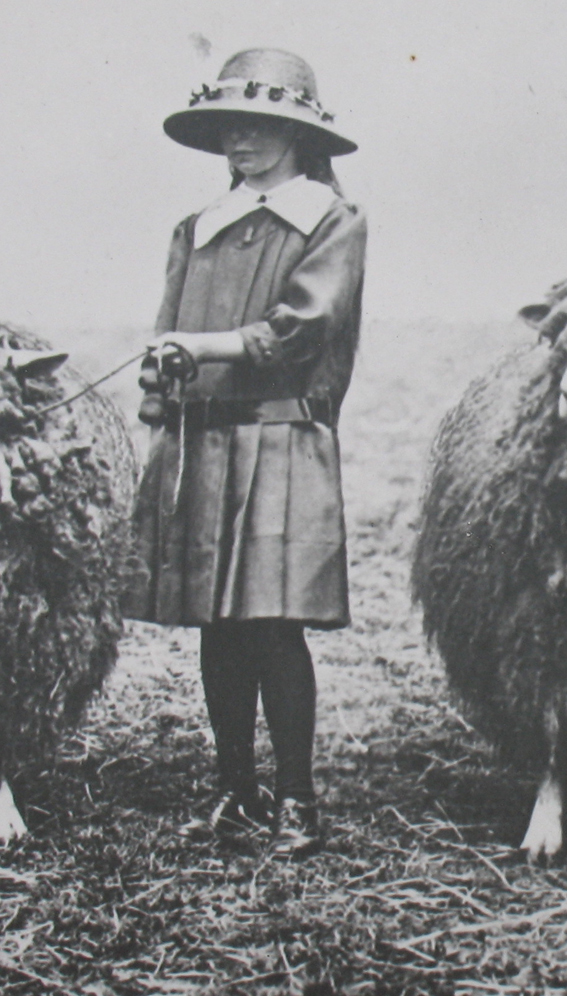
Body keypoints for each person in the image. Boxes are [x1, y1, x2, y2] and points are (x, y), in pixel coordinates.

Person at [126, 48, 365, 857]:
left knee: (272, 628)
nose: (242, 142)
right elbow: (168, 330)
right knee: (217, 629)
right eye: (230, 127)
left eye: (261, 126)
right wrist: (162, 384)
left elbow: (304, 326)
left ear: (300, 134)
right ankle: (236, 789)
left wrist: (206, 344)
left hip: (280, 435)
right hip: (204, 444)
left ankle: (296, 800)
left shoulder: (331, 220)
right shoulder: (196, 228)